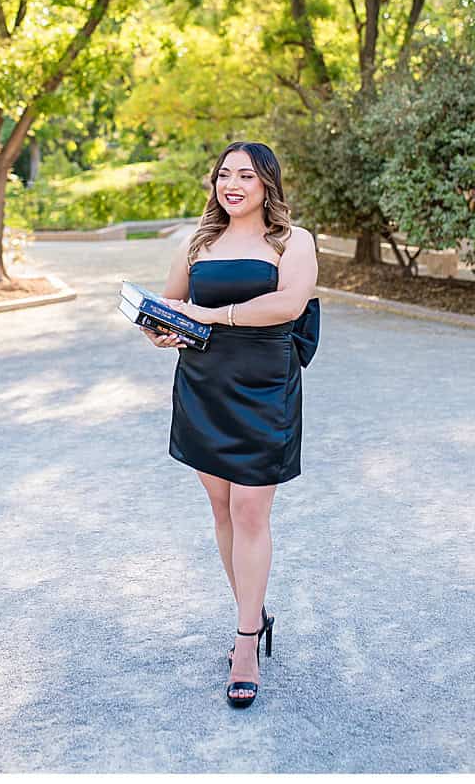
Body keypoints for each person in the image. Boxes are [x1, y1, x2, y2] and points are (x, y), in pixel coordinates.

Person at [145, 141, 320, 709]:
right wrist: (158, 328)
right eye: (224, 174)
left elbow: (289, 305)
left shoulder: (294, 242)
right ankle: (253, 607)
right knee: (221, 508)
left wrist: (213, 314)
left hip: (264, 387)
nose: (232, 183)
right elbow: (168, 306)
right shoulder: (196, 244)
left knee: (250, 509)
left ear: (268, 183)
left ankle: (246, 643)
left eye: (246, 174)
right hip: (203, 387)